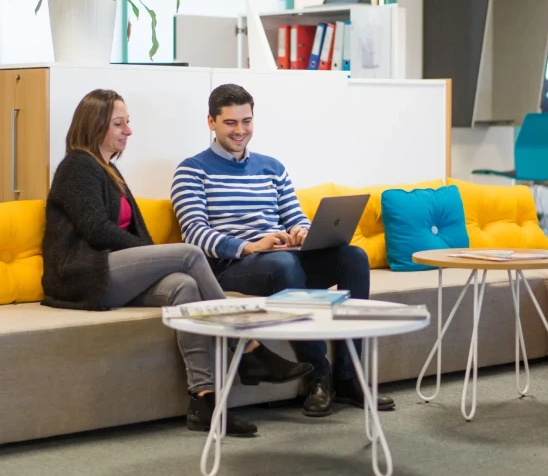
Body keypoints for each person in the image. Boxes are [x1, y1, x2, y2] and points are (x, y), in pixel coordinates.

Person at [41, 89, 312, 438]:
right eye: (119, 124)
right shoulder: (78, 165)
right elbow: (96, 231)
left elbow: (124, 236)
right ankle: (248, 346)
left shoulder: (109, 169)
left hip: (110, 270)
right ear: (95, 126)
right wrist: (154, 255)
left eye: (128, 122)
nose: (129, 131)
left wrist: (152, 258)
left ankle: (204, 402)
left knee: (183, 286)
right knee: (188, 253)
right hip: (81, 276)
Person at [171, 83, 396, 417]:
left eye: (246, 121)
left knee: (353, 257)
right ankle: (319, 375)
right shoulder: (192, 170)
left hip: (282, 256)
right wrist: (249, 245)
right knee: (282, 265)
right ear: (211, 123)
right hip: (233, 266)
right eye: (230, 122)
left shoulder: (272, 167)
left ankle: (350, 376)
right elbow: (194, 234)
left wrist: (301, 232)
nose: (240, 130)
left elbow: (294, 216)